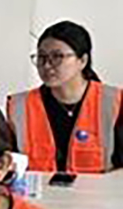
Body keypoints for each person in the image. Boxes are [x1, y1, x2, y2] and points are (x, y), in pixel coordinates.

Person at [7, 20, 123, 172]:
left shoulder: (114, 102)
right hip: (37, 187)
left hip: (103, 188)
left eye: (57, 56)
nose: (47, 65)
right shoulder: (19, 106)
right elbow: (8, 163)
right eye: (41, 57)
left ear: (83, 61)